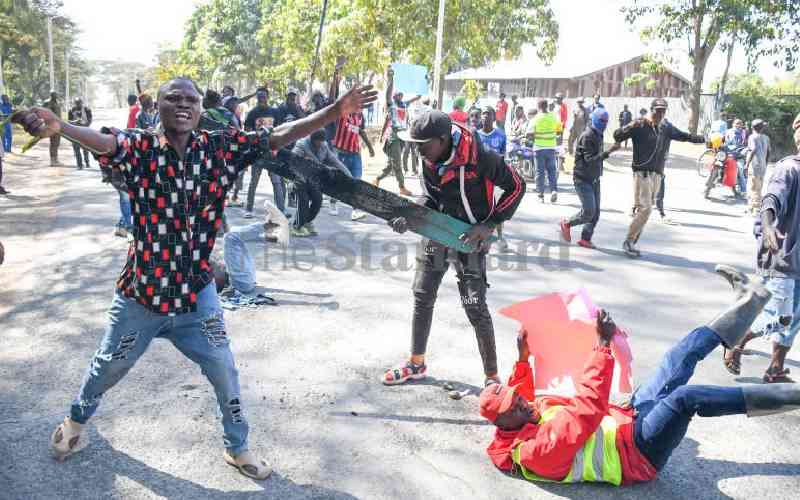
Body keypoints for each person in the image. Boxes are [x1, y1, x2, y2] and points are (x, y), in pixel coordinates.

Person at [13, 76, 376, 479]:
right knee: (106, 368)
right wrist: (61, 128)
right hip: (141, 296)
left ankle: (238, 448)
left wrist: (333, 111)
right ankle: (76, 422)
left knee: (225, 372)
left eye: (191, 99)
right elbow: (108, 143)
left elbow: (275, 137)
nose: (183, 105)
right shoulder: (141, 147)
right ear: (160, 108)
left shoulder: (220, 149)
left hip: (198, 298)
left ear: (201, 109)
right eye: (174, 98)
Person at [479, 268, 800, 486]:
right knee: (685, 399)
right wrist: (602, 346)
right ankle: (793, 397)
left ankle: (749, 302)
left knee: (678, 358)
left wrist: (523, 359)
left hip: (627, 418)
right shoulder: (536, 453)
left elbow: (518, 398)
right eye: (517, 407)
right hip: (637, 453)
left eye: (518, 398)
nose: (525, 403)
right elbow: (586, 410)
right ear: (504, 425)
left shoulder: (516, 418)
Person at [383, 110, 525, 386]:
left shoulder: (480, 157)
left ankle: (492, 379)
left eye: (422, 144)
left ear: (442, 139)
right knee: (422, 296)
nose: (417, 150)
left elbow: (517, 187)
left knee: (475, 305)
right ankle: (416, 363)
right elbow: (431, 197)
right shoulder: (429, 157)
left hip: (470, 238)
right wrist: (410, 216)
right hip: (436, 232)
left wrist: (491, 224)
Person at [723, 115, 800, 383]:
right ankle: (737, 342)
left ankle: (775, 369)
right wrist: (767, 226)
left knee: (794, 319)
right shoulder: (789, 169)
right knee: (781, 316)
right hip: (783, 257)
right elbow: (772, 198)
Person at [613, 98, 704, 258]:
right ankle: (628, 241)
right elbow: (617, 136)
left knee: (645, 210)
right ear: (652, 109)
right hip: (642, 174)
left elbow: (684, 136)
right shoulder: (640, 124)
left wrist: (704, 140)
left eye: (663, 110)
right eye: (658, 110)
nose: (660, 113)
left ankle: (632, 241)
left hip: (657, 175)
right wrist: (629, 125)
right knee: (646, 209)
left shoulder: (666, 127)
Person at [559, 108, 619, 249]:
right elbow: (590, 160)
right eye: (602, 121)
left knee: (595, 213)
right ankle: (567, 223)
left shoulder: (599, 134)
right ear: (595, 120)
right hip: (582, 179)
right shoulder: (588, 135)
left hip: (594, 179)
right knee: (588, 212)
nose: (604, 124)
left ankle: (585, 239)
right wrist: (609, 151)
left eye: (606, 121)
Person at [330, 65, 376, 221]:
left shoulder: (360, 116)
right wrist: (336, 77)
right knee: (340, 180)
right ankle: (333, 202)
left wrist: (370, 147)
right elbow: (334, 100)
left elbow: (360, 131)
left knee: (356, 180)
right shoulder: (343, 113)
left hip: (355, 153)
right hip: (340, 151)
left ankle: (355, 210)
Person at [291, 129, 352, 236]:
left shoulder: (324, 146)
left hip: (314, 180)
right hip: (300, 179)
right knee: (303, 203)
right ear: (312, 139)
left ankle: (306, 222)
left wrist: (348, 175)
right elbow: (293, 161)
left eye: (322, 141)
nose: (320, 143)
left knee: (318, 201)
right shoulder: (301, 145)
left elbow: (335, 161)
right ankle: (296, 226)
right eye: (317, 141)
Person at [374, 67, 418, 196]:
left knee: (390, 165)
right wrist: (391, 79)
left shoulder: (404, 105)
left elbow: (417, 97)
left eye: (401, 94)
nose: (400, 96)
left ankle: (377, 179)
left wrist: (424, 83)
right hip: (393, 136)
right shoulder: (390, 104)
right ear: (393, 96)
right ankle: (402, 187)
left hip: (402, 137)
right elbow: (388, 93)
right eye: (398, 94)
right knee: (397, 163)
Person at [244, 87, 285, 219]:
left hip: (272, 152)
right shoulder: (251, 113)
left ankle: (281, 210)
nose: (262, 98)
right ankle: (248, 209)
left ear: (268, 96)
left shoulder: (275, 112)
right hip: (257, 153)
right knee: (253, 182)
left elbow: (280, 130)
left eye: (264, 96)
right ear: (257, 97)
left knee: (277, 182)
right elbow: (247, 133)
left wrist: (277, 148)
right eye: (259, 96)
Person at [477, 106, 510, 252]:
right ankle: (480, 238)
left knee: (496, 210)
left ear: (494, 118)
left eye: (488, 114)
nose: (485, 116)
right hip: (478, 180)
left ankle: (500, 236)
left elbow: (502, 157)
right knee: (479, 210)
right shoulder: (475, 135)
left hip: (495, 179)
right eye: (483, 114)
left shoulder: (501, 135)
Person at [528, 98, 562, 203]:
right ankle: (553, 191)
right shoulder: (554, 117)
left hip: (539, 149)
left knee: (540, 172)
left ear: (538, 107)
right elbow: (558, 132)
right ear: (547, 106)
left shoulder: (536, 118)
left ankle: (540, 195)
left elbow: (528, 134)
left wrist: (533, 138)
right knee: (552, 171)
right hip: (551, 148)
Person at [744, 119, 770, 215]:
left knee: (754, 187)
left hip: (754, 165)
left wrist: (746, 164)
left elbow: (753, 150)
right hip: (762, 166)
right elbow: (769, 152)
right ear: (762, 128)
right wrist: (765, 163)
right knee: (758, 187)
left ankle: (756, 209)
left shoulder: (752, 137)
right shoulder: (766, 138)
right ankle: (750, 207)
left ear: (752, 127)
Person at [67, 98, 93, 169]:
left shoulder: (87, 110)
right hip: (75, 132)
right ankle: (79, 164)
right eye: (77, 103)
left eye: (79, 103)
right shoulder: (71, 110)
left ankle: (87, 162)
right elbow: (69, 121)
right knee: (76, 148)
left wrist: (83, 124)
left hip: (84, 131)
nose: (78, 104)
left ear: (82, 103)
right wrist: (75, 121)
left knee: (85, 148)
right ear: (75, 103)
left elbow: (90, 120)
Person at [725, 118, 748, 197]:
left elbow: (745, 143)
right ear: (733, 124)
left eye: (739, 124)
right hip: (729, 153)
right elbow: (725, 142)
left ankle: (743, 190)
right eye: (736, 123)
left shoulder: (744, 132)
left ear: (742, 125)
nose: (738, 125)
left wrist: (744, 150)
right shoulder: (728, 131)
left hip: (739, 154)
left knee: (740, 170)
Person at [44, 92, 62, 166]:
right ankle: (52, 160)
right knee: (53, 143)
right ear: (51, 95)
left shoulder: (56, 102)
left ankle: (56, 159)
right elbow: (46, 114)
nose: (56, 96)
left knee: (57, 143)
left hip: (58, 125)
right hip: (52, 125)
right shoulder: (48, 103)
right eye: (55, 95)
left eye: (57, 95)